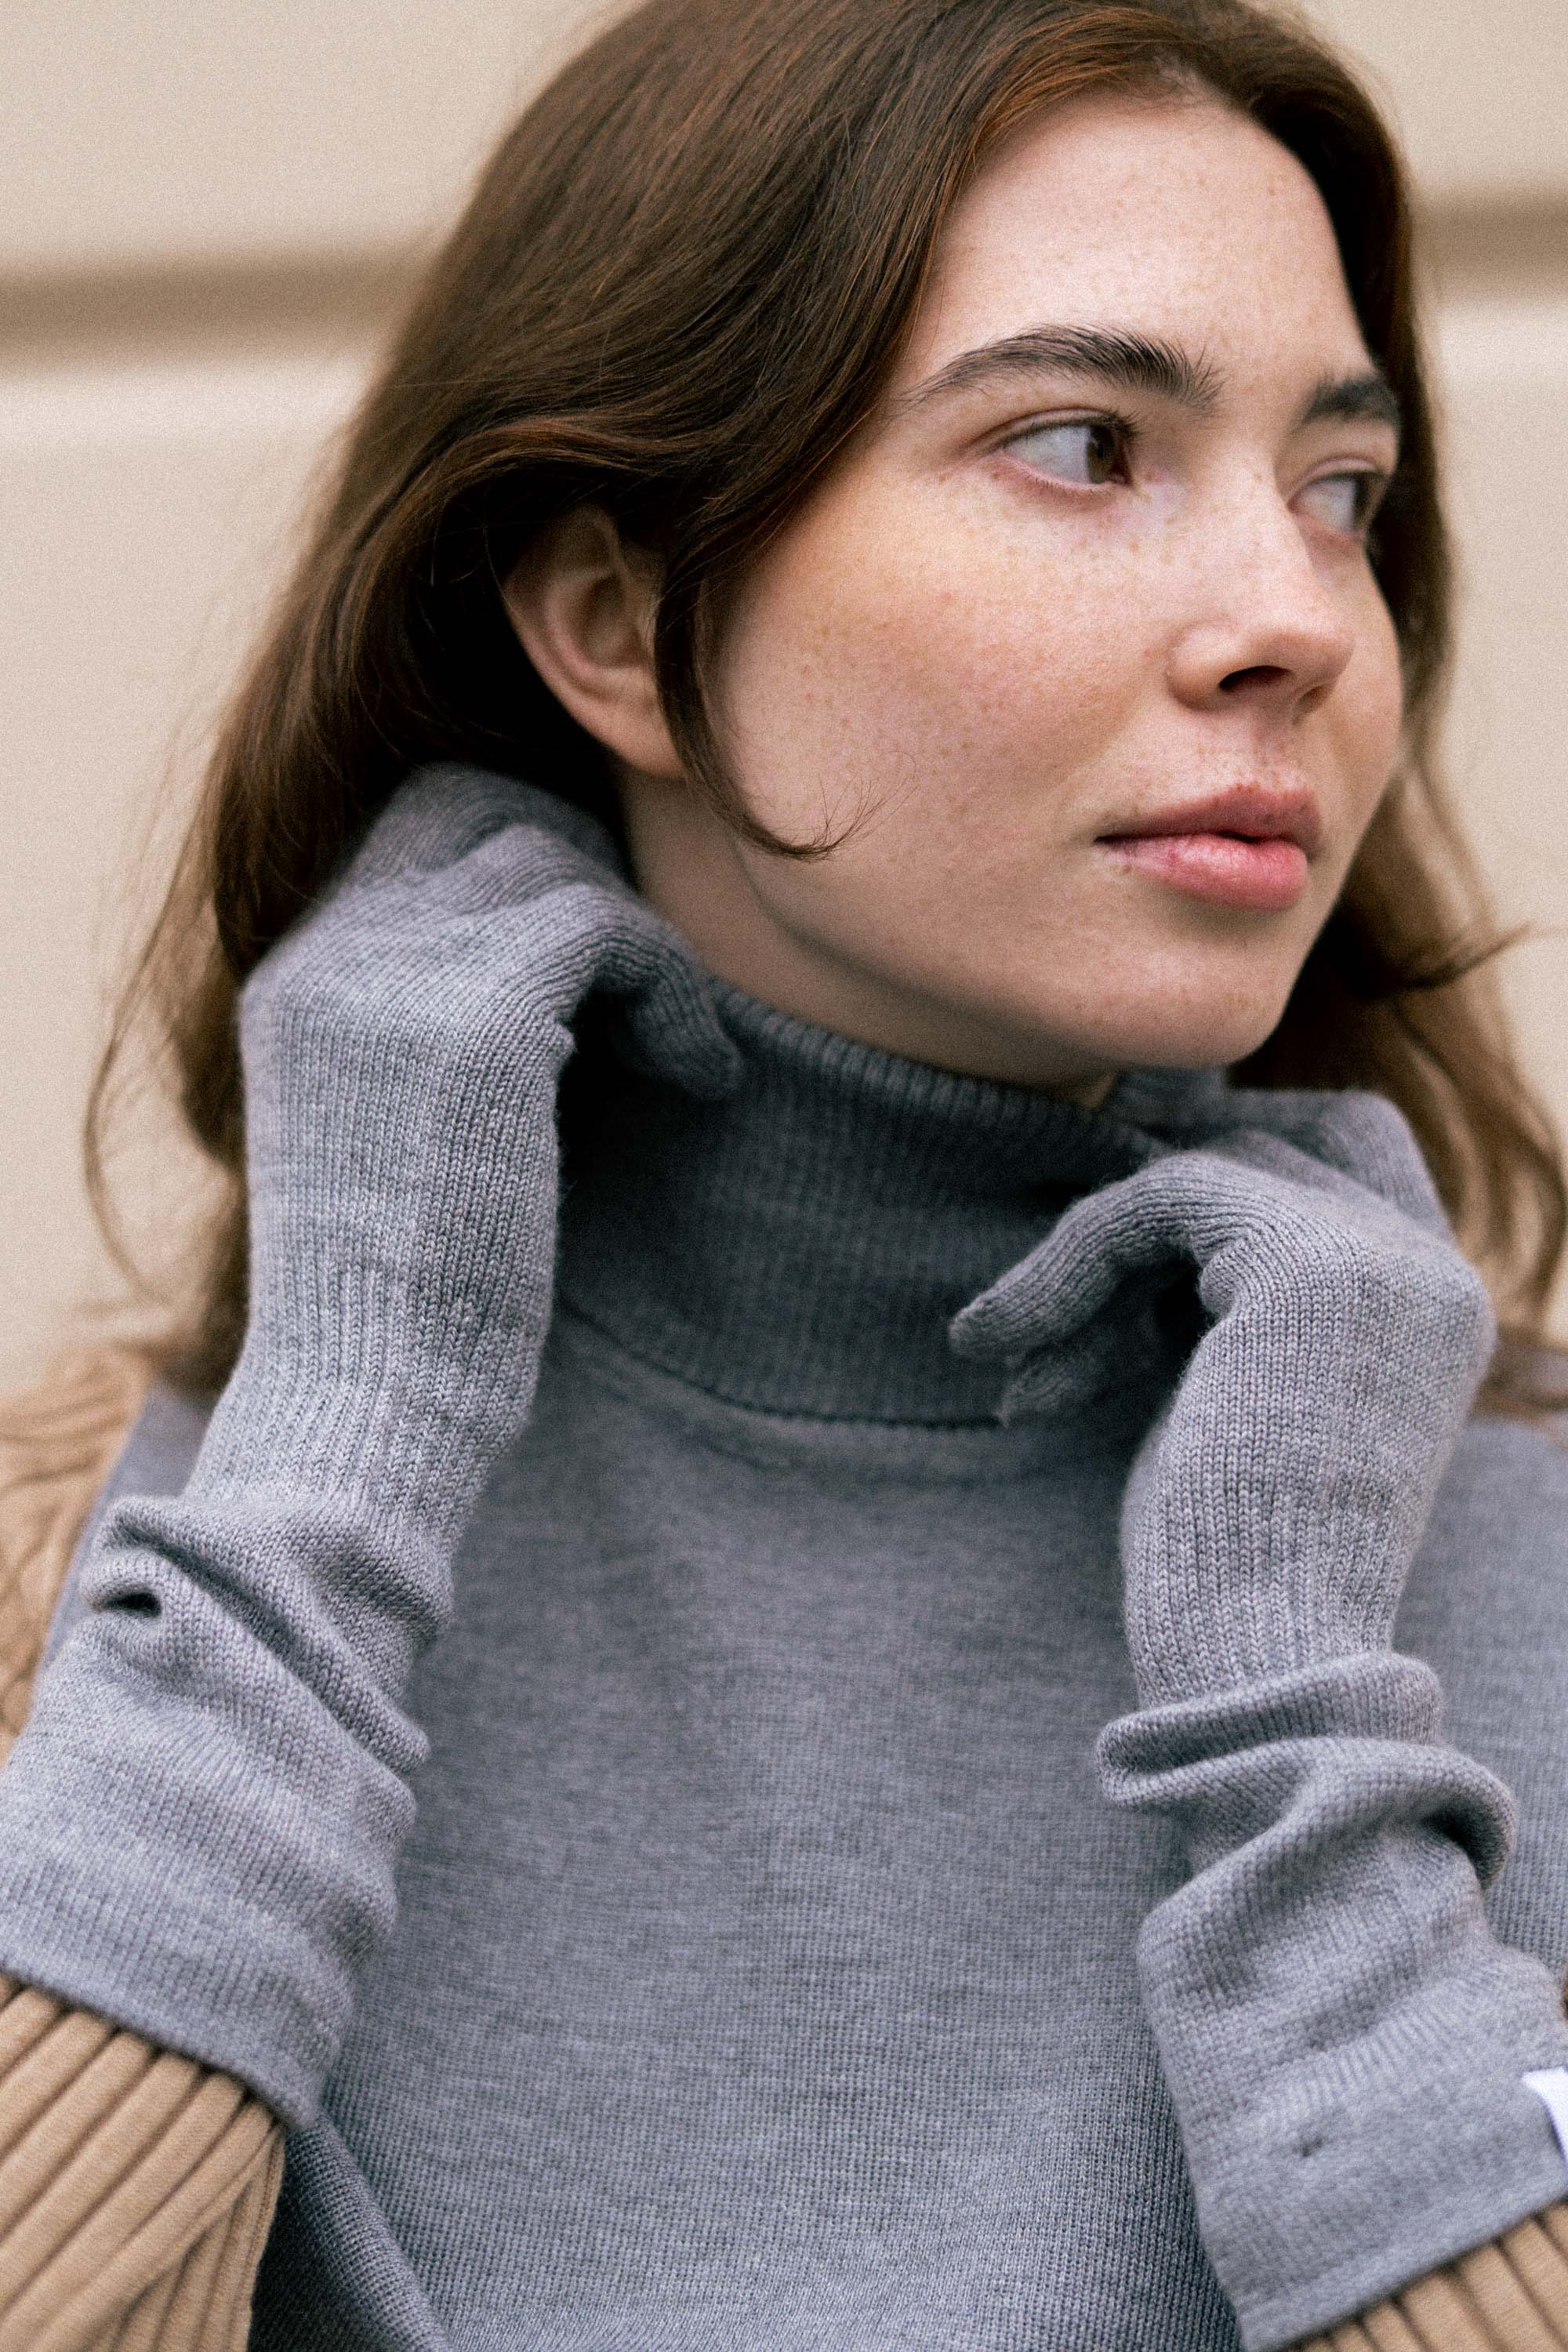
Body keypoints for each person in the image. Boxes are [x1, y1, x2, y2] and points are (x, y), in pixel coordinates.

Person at [3, 0, 1568, 2345]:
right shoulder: (63, 1589)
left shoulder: (1513, 1559)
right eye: (1085, 447)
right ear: (620, 622)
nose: (1295, 622)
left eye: (1341, 489)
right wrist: (338, 1448)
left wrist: (1302, 1731)